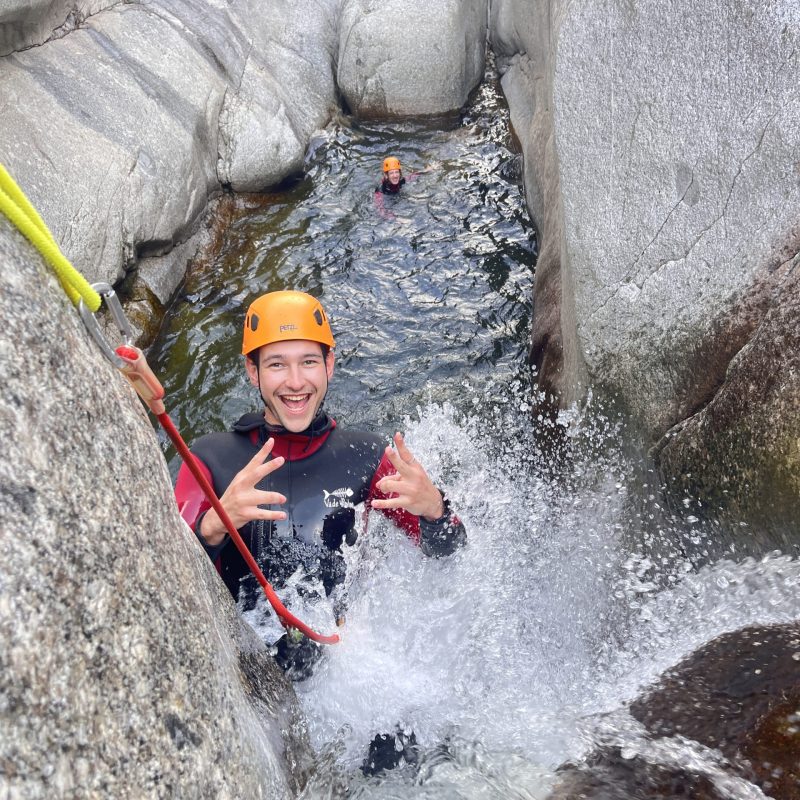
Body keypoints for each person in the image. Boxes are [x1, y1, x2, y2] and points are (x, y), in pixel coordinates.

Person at [174, 290, 466, 682]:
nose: (296, 383)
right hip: (248, 671)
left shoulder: (365, 457)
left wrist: (434, 510)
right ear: (252, 371)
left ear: (329, 365)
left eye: (309, 362)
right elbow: (170, 582)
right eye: (277, 364)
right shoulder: (210, 459)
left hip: (344, 664)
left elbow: (449, 553)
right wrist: (212, 526)